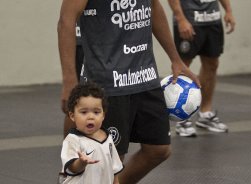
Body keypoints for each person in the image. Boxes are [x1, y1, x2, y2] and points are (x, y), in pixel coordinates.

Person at [58, 0, 200, 183]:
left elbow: (154, 7)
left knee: (158, 149)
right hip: (108, 81)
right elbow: (66, 21)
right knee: (112, 157)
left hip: (145, 75)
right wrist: (69, 80)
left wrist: (175, 58)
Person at [168, 0, 235, 136]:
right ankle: (181, 119)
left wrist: (228, 11)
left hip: (212, 20)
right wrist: (181, 19)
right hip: (189, 20)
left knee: (212, 64)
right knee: (182, 66)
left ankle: (205, 114)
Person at [60, 83, 123, 184]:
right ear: (72, 116)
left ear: (103, 115)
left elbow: (114, 171)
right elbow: (72, 168)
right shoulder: (72, 140)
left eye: (96, 112)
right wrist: (81, 162)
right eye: (84, 112)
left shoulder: (108, 139)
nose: (91, 117)